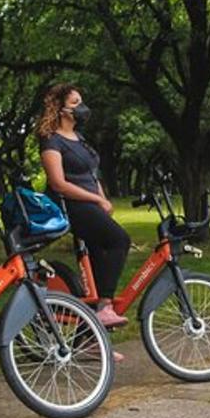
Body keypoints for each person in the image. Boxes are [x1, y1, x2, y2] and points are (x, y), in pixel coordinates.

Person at [38, 84, 131, 330]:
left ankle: (91, 338)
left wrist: (102, 198)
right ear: (60, 109)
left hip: (90, 203)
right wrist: (96, 200)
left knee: (100, 255)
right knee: (120, 240)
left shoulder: (80, 139)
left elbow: (91, 175)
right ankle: (105, 306)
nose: (82, 107)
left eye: (81, 101)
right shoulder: (51, 140)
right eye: (75, 102)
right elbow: (59, 183)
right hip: (71, 205)